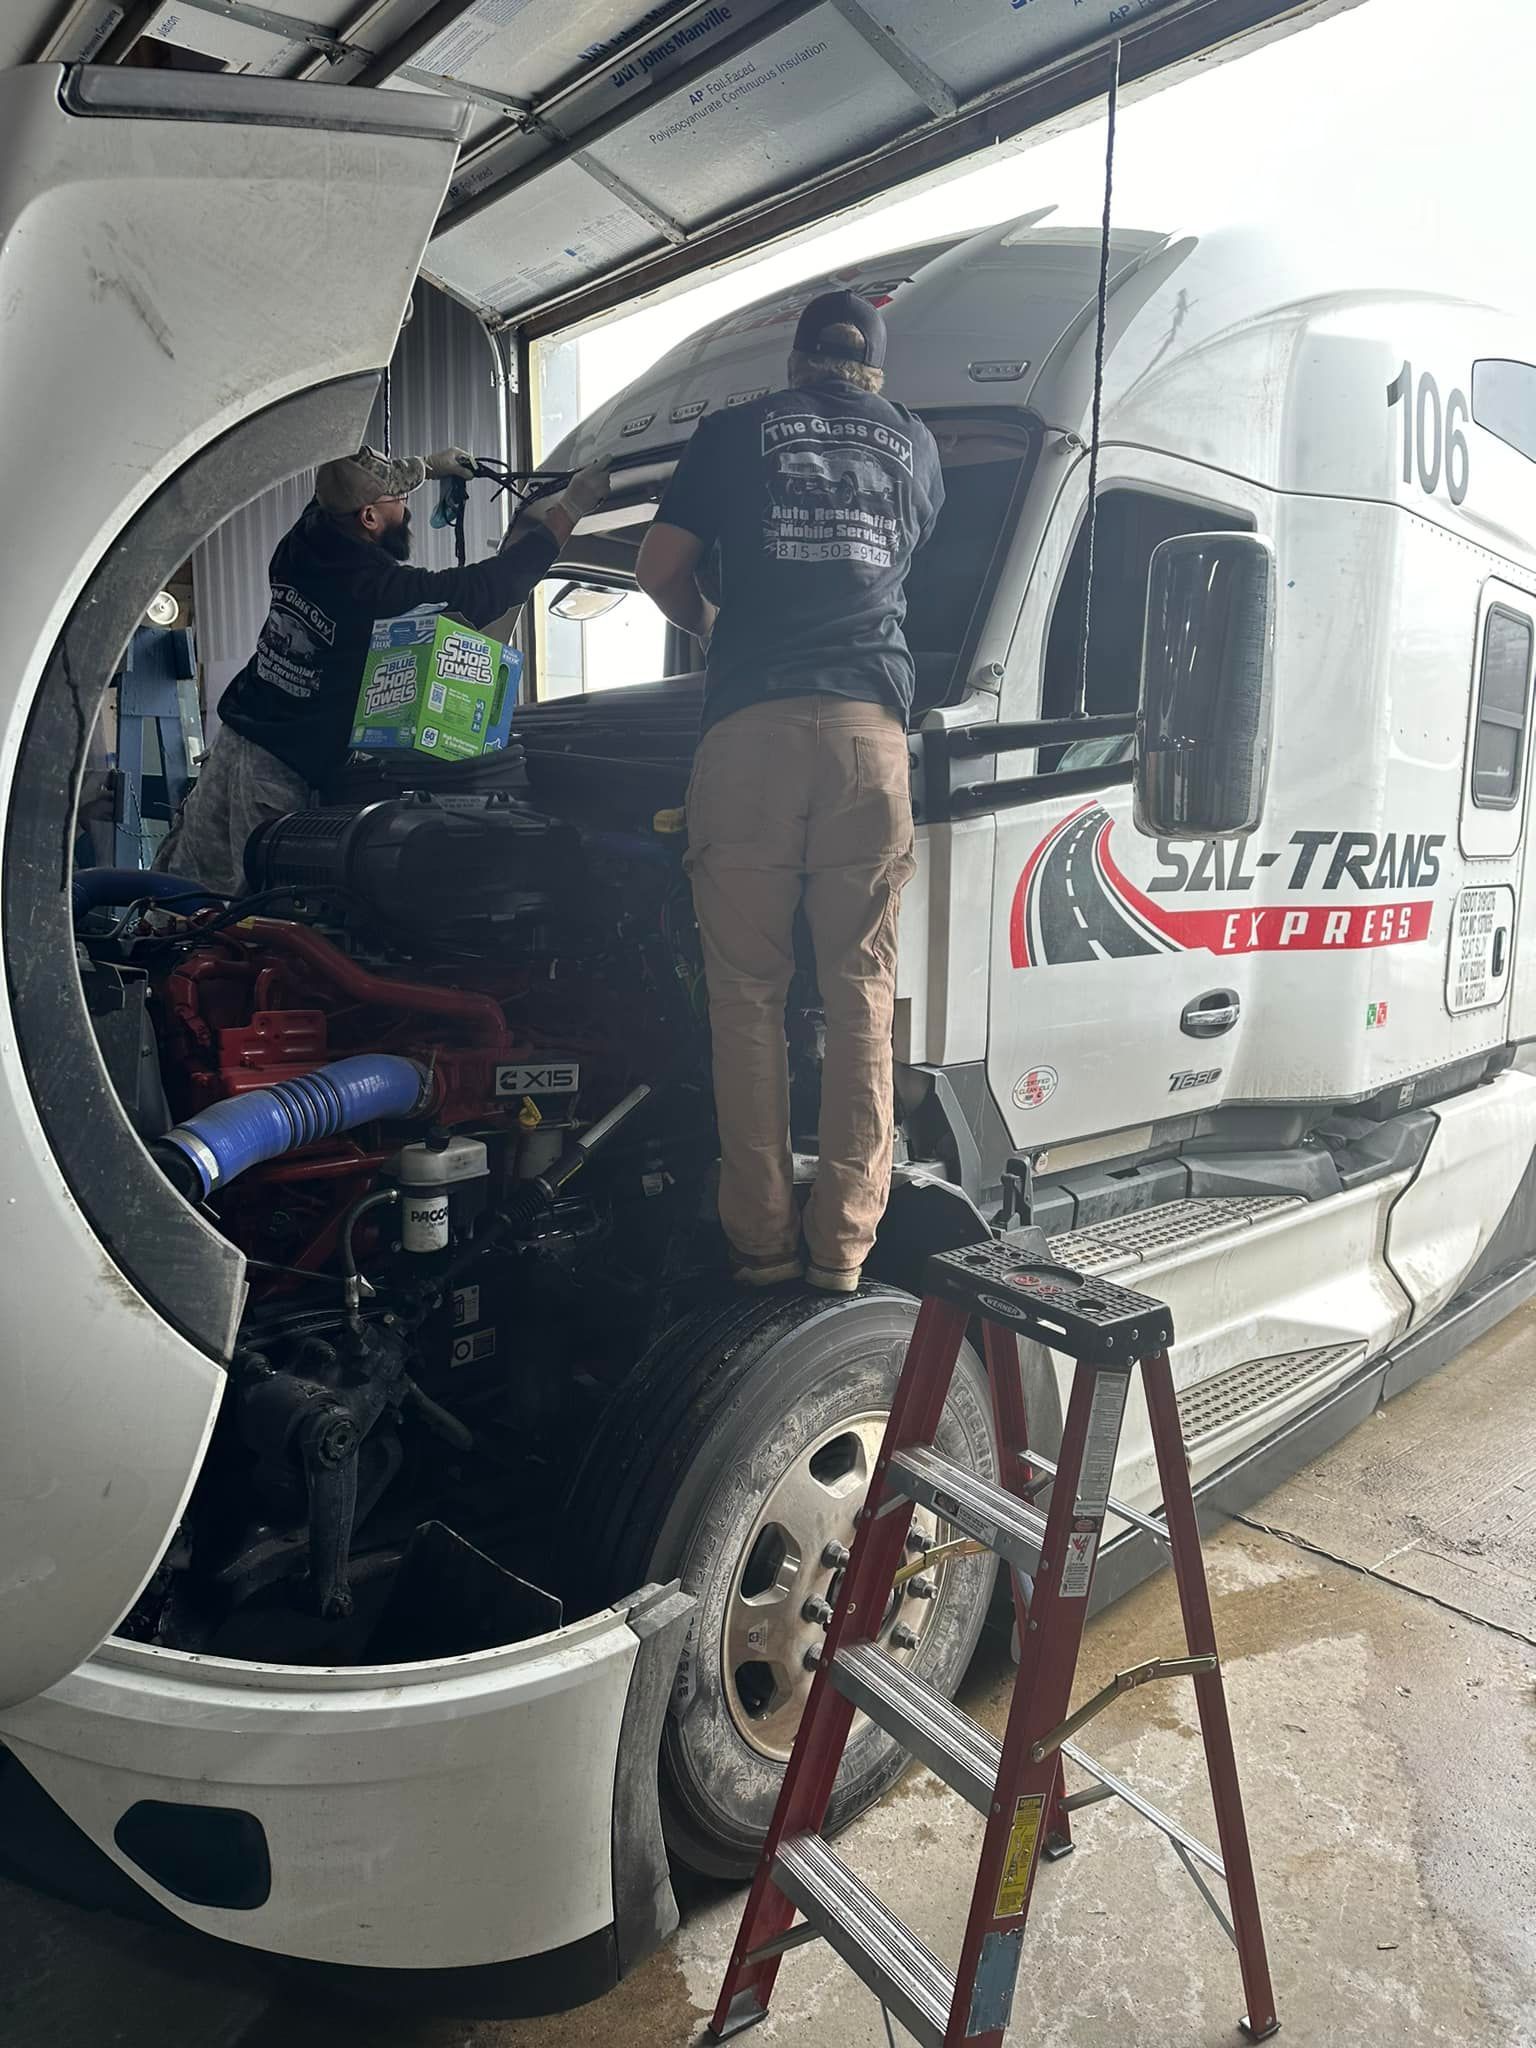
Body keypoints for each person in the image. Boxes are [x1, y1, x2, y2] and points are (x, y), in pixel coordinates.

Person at [636, 290, 944, 1294]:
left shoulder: (735, 431)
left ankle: (761, 1245)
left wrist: (717, 623)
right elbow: (894, 571)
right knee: (860, 998)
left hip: (754, 732)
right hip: (870, 736)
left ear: (798, 360)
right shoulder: (916, 446)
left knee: (747, 1000)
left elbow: (659, 566)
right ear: (876, 369)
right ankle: (844, 1248)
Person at [155, 445, 608, 895]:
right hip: (277, 771)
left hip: (233, 741)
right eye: (397, 500)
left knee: (187, 881)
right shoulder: (375, 591)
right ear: (369, 518)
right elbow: (493, 584)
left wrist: (427, 468)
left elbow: (340, 486)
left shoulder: (305, 537)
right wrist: (571, 507)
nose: (406, 504)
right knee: (260, 900)